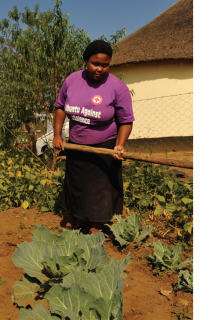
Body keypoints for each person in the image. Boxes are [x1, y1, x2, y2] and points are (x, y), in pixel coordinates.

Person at [53, 40, 135, 234]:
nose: (100, 69)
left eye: (105, 65)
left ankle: (96, 224)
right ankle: (74, 217)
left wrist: (120, 145)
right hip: (76, 145)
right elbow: (60, 107)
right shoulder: (72, 80)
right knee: (75, 185)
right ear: (86, 61)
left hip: (104, 147)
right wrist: (58, 135)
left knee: (100, 189)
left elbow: (126, 120)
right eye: (95, 64)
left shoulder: (118, 87)